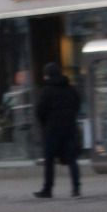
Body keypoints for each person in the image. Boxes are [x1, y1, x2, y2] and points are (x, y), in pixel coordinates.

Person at [34, 62, 82, 198]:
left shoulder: (47, 90)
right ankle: (76, 187)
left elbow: (40, 111)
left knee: (49, 160)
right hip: (69, 127)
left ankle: (48, 189)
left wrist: (45, 123)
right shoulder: (70, 89)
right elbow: (77, 105)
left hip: (53, 129)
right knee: (72, 159)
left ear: (47, 75)